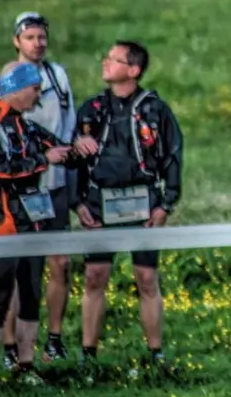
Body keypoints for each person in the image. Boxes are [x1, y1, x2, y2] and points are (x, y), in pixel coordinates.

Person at [0, 12, 93, 363]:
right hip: (22, 190)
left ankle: (54, 339)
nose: (38, 42)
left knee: (59, 262)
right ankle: (13, 347)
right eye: (30, 37)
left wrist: (77, 149)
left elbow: (70, 123)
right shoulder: (1, 82)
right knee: (18, 269)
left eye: (42, 36)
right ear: (17, 41)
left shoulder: (58, 76)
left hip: (56, 185)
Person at [0, 62, 74, 385]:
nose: (39, 96)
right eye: (35, 89)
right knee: (0, 296)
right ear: (16, 89)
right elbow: (2, 170)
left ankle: (26, 366)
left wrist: (76, 148)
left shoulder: (27, 125)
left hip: (31, 221)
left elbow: (56, 147)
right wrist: (43, 161)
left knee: (30, 293)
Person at [73, 41, 183, 363]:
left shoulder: (155, 110)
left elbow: (173, 156)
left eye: (114, 59)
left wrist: (166, 204)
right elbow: (74, 160)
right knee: (95, 275)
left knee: (147, 278)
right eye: (105, 57)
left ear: (133, 70)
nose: (105, 63)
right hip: (98, 202)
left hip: (143, 202)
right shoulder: (91, 110)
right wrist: (78, 203)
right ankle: (88, 354)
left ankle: (155, 354)